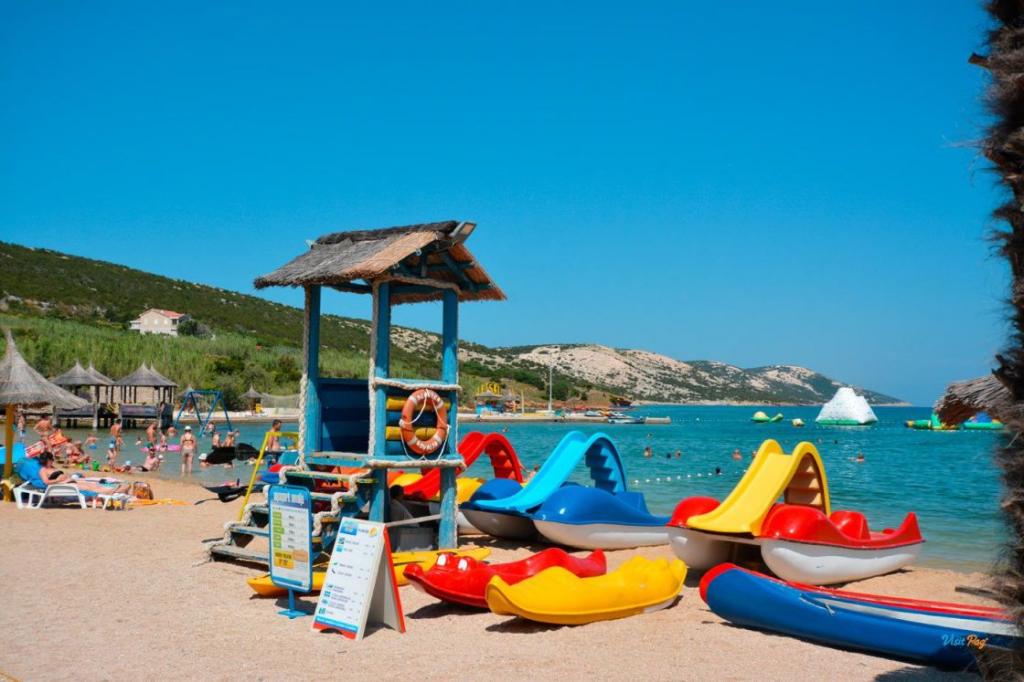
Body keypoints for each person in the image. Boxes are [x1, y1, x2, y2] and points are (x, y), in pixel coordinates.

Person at [37, 452, 131, 495]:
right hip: (66, 485)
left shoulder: (52, 467)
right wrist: (57, 480)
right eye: (51, 459)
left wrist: (69, 477)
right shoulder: (43, 470)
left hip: (71, 481)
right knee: (91, 487)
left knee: (93, 484)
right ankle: (114, 491)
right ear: (47, 460)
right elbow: (46, 482)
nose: (53, 461)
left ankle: (116, 488)